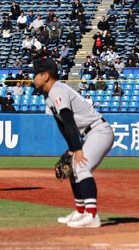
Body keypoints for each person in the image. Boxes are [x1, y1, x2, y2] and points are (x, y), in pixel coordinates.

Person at [32, 58, 114, 228]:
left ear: (45, 75)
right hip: (89, 133)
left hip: (98, 130)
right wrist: (72, 149)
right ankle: (81, 211)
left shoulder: (57, 90)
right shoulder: (48, 95)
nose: (33, 78)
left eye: (35, 75)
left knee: (82, 167)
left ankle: (92, 216)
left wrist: (77, 148)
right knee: (72, 167)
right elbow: (61, 124)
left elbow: (68, 119)